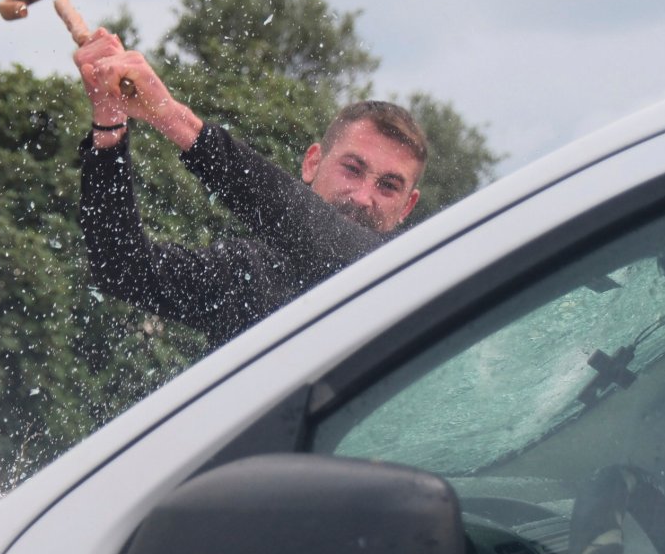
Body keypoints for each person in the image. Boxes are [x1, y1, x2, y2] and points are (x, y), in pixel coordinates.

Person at [74, 28, 427, 346]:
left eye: (388, 186)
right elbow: (124, 269)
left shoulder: (412, 280)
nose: (363, 197)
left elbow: (332, 242)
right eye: (352, 169)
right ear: (312, 163)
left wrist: (172, 117)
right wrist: (109, 126)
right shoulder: (246, 274)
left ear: (408, 206)